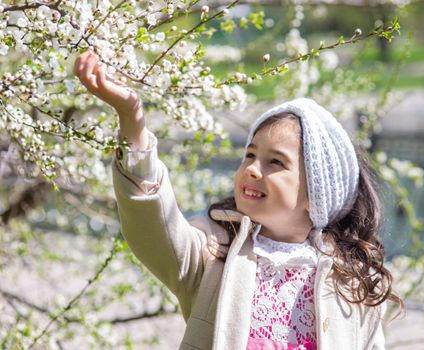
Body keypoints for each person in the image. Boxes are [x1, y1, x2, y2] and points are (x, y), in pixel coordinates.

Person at [74, 51, 402, 350]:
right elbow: (152, 221)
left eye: (276, 162)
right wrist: (132, 119)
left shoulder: (350, 284)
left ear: (316, 194)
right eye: (250, 155)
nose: (253, 169)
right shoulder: (213, 253)